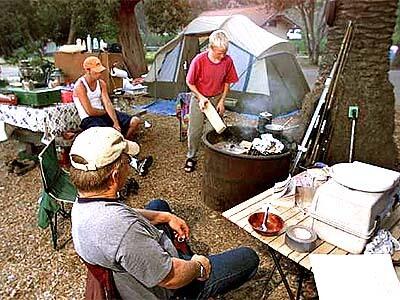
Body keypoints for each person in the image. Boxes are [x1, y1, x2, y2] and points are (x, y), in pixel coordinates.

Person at [69, 127, 260, 300]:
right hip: (170, 288)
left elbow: (125, 214)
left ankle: (184, 253)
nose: (130, 165)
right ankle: (197, 284)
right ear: (114, 176)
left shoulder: (83, 203)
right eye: (127, 161)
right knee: (249, 257)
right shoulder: (122, 229)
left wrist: (166, 217)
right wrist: (198, 266)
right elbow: (171, 278)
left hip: (134, 270)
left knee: (158, 205)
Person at [73, 56, 152, 176]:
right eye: (96, 72)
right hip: (89, 119)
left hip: (102, 113)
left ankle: (121, 150)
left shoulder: (101, 83)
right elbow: (90, 111)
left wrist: (115, 122)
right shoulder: (80, 86)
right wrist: (106, 112)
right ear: (87, 70)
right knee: (108, 135)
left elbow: (107, 103)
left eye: (100, 71)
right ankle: (131, 159)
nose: (99, 74)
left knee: (135, 121)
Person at [184, 30, 239, 173]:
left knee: (212, 130)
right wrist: (201, 97)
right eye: (219, 53)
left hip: (216, 98)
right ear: (210, 48)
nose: (222, 56)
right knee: (195, 130)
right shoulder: (199, 60)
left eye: (224, 52)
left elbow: (228, 82)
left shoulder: (228, 61)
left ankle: (210, 158)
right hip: (199, 98)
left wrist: (222, 101)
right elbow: (189, 82)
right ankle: (191, 157)